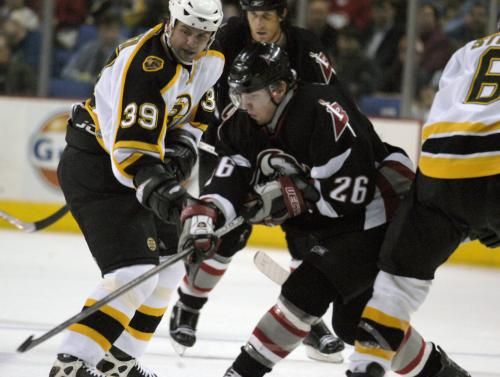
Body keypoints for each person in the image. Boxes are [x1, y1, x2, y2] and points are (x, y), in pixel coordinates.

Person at [176, 42, 467, 377]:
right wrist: (208, 213)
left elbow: (348, 197)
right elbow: (230, 179)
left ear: (278, 89)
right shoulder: (241, 123)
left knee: (304, 291)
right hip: (335, 218)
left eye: (249, 95)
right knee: (355, 324)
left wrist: (285, 199)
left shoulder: (323, 110)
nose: (242, 105)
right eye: (237, 95)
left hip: (383, 206)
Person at [49, 0, 224, 376]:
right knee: (132, 273)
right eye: (186, 30)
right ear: (169, 22)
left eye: (201, 34)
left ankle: (119, 364)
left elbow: (195, 118)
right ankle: (72, 363)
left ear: (211, 35)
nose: (191, 41)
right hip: (98, 168)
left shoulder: (212, 58)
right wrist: (180, 203)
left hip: (141, 165)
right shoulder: (146, 66)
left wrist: (182, 148)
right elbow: (132, 158)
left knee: (170, 265)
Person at [169, 0, 345, 362]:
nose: (258, 23)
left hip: (290, 149)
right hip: (231, 143)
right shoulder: (229, 35)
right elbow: (191, 72)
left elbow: (332, 101)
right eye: (253, 14)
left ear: (282, 14)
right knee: (226, 233)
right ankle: (189, 303)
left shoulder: (306, 47)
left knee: (307, 232)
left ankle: (305, 315)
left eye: (266, 15)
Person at [345, 25, 500, 377]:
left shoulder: (469, 50)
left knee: (397, 283)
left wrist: (474, 210)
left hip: (441, 172)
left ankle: (366, 364)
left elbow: (447, 112)